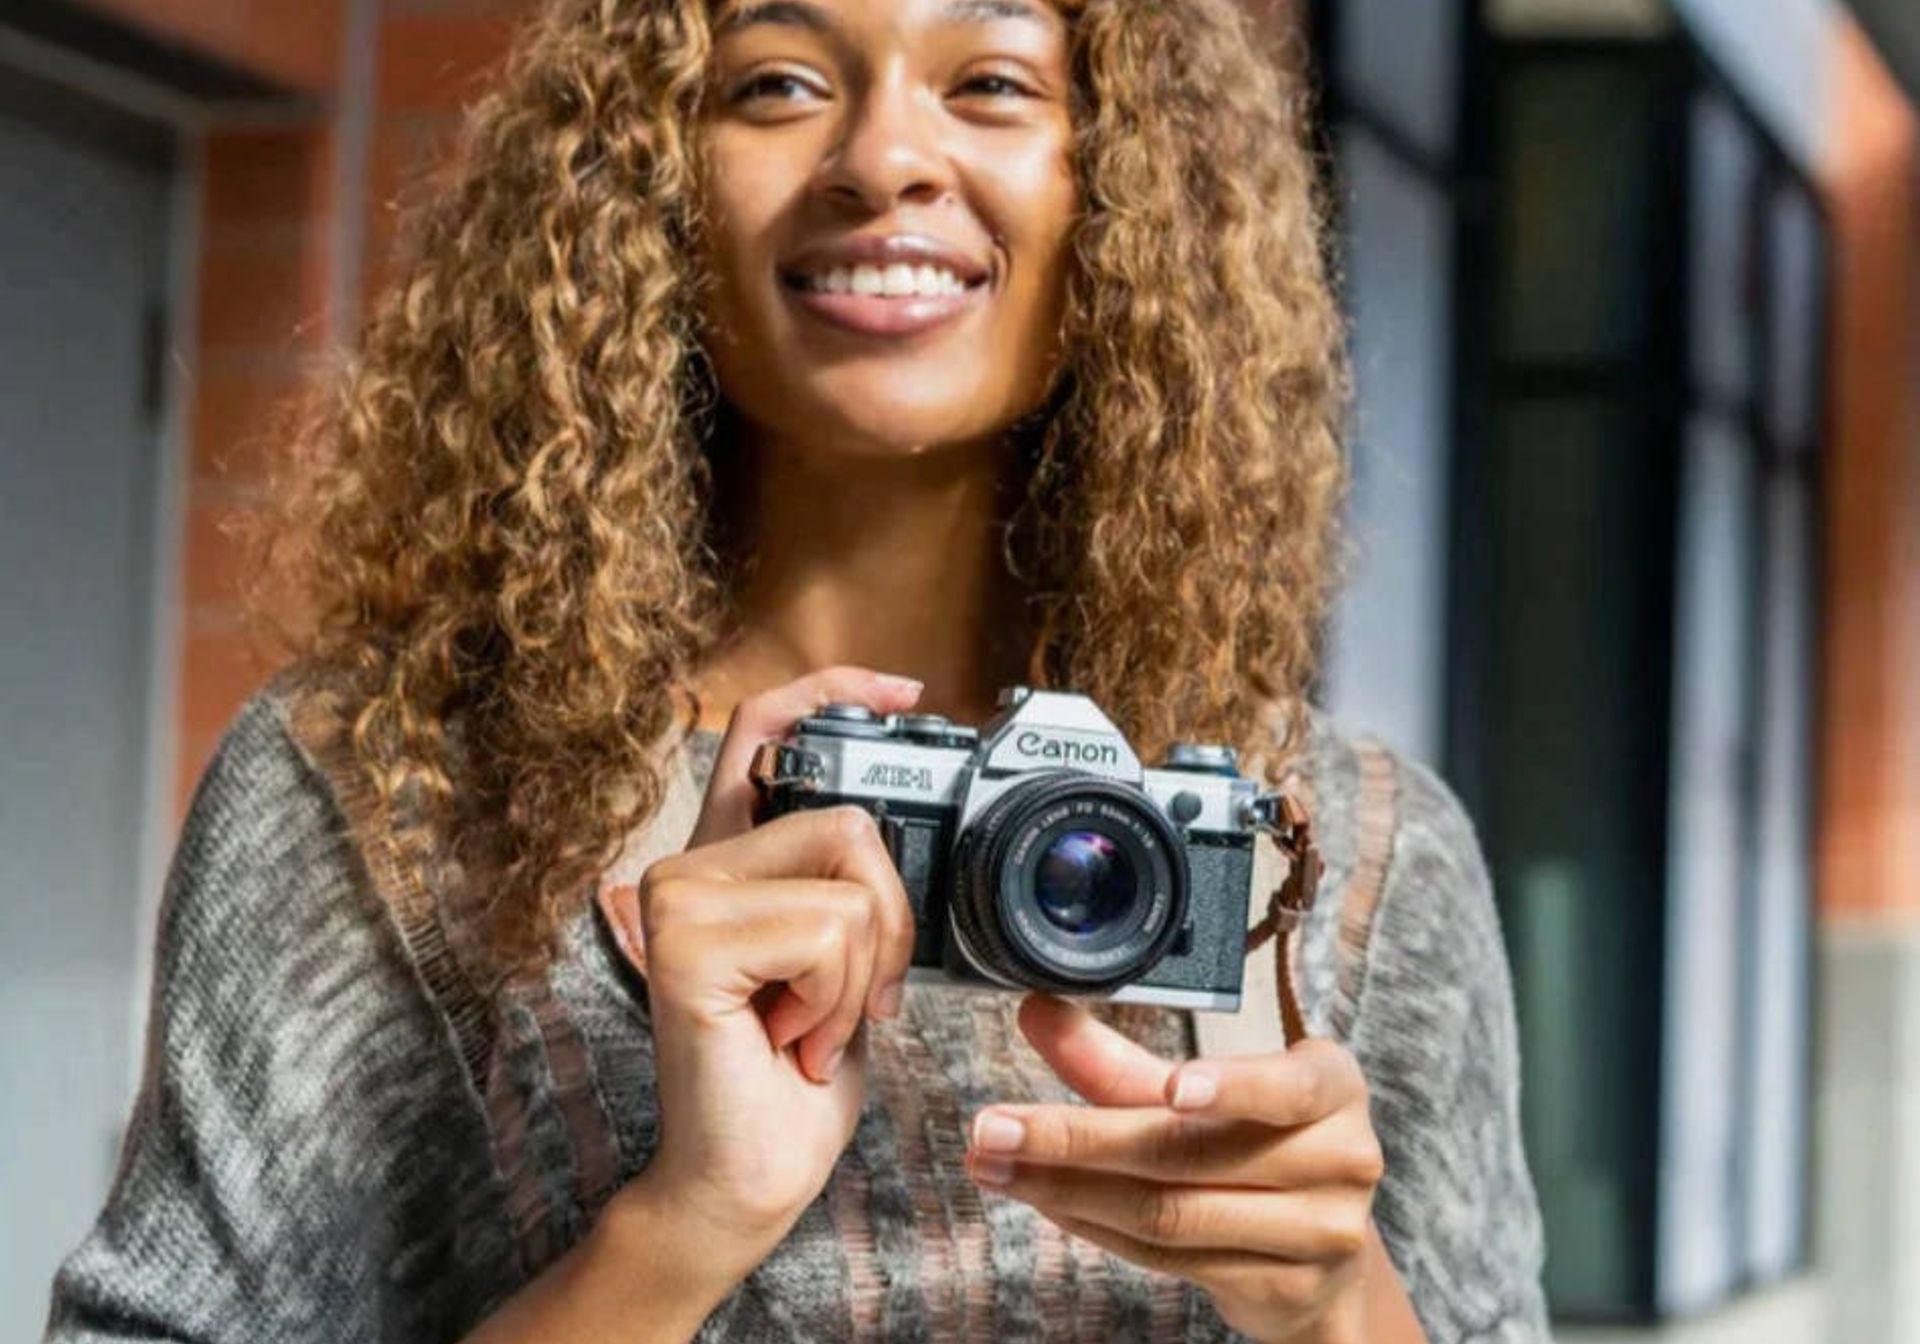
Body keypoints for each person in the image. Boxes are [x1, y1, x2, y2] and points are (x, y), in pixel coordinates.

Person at [44, 0, 1549, 1339]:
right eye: (774, 82)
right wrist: (681, 1226)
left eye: (996, 83)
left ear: (1140, 184)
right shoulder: (388, 798)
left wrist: (1339, 1303)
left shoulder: (1349, 852)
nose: (882, 156)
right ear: (642, 185)